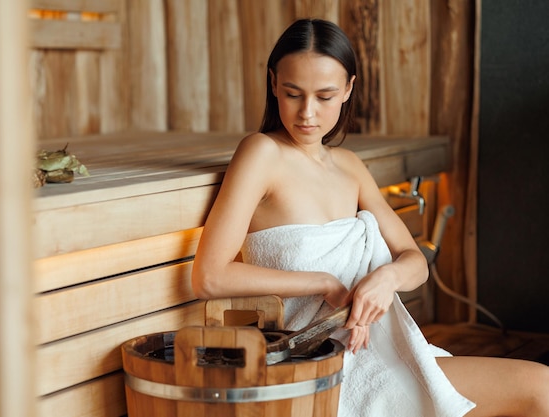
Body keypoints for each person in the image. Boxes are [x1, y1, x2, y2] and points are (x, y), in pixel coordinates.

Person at [191, 18, 549, 417]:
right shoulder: (261, 154)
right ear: (273, 83)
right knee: (540, 389)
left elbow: (415, 263)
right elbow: (210, 275)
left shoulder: (349, 166)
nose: (307, 113)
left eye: (325, 96)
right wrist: (324, 282)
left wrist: (386, 279)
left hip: (380, 351)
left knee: (540, 387)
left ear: (348, 89)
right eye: (293, 93)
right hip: (319, 364)